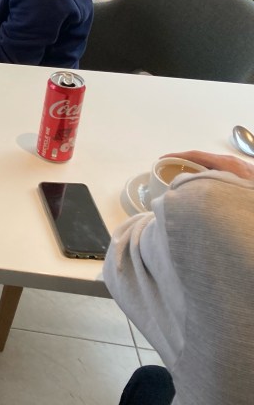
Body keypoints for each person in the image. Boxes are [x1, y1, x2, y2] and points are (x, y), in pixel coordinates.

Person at [104, 150, 254, 405]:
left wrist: (226, 193)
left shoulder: (215, 206)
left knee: (149, 380)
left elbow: (122, 258)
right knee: (154, 378)